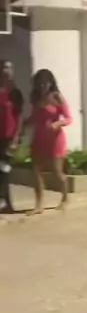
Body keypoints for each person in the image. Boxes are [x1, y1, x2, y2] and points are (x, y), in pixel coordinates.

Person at [27, 69, 71, 213]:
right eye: (39, 83)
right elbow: (35, 117)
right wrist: (26, 123)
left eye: (45, 83)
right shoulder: (35, 98)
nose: (42, 86)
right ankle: (39, 204)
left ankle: (65, 198)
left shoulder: (57, 97)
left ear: (51, 83)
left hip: (55, 140)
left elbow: (68, 118)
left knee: (57, 172)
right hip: (39, 139)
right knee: (36, 172)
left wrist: (58, 123)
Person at [0, 59, 24, 214]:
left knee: (4, 170)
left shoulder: (15, 93)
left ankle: (4, 203)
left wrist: (16, 139)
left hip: (9, 138)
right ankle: (7, 205)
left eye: (10, 68)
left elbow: (20, 117)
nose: (8, 71)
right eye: (5, 68)